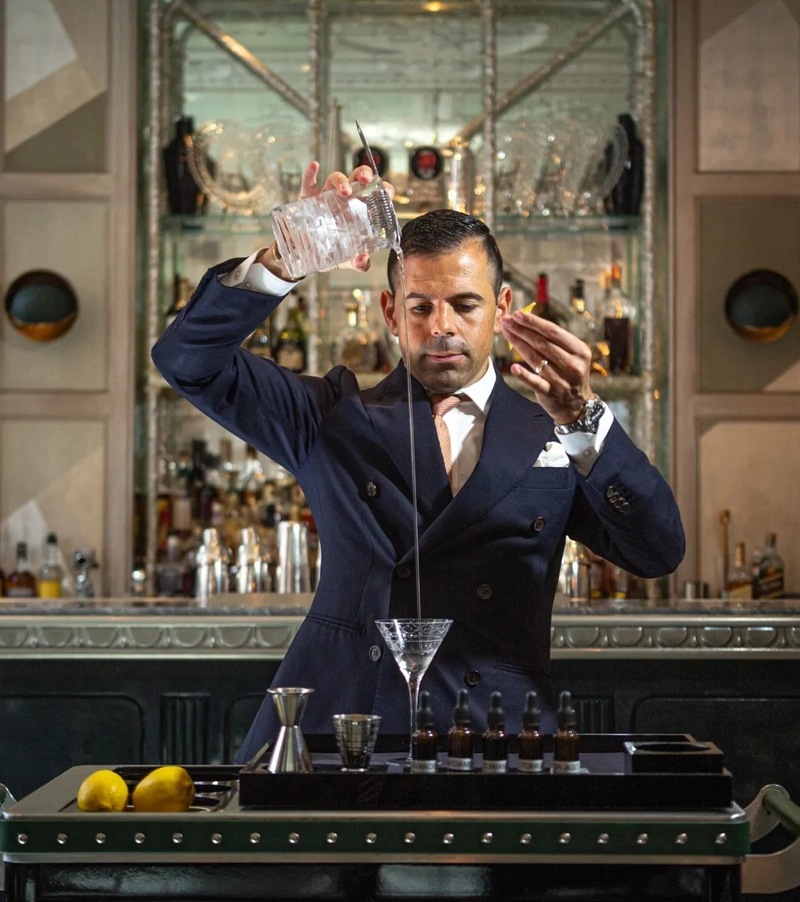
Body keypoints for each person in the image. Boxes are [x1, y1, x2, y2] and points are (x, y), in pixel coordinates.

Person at [152, 162, 685, 762]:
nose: (443, 329)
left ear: (504, 307)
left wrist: (586, 420)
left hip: (495, 735)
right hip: (343, 727)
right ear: (389, 311)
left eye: (464, 305)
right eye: (420, 308)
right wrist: (287, 257)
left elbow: (656, 552)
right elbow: (186, 359)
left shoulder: (555, 429)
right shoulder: (332, 417)